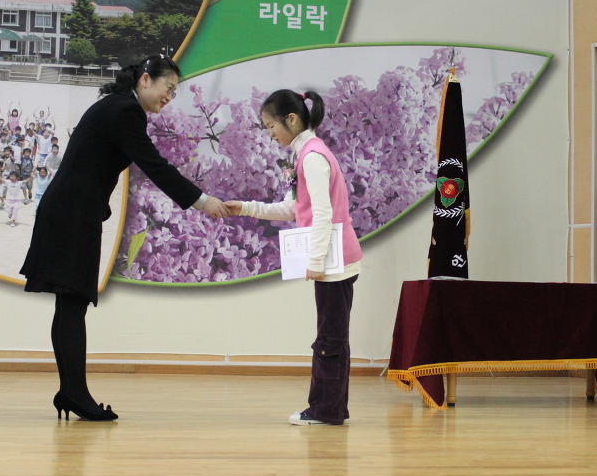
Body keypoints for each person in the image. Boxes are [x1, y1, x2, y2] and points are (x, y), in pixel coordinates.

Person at [20, 55, 229, 421]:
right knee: (72, 304)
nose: (170, 97)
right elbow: (155, 165)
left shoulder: (117, 107)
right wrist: (202, 200)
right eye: (168, 88)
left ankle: (71, 392)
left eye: (175, 92)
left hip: (70, 213)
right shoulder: (125, 111)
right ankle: (74, 393)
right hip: (71, 216)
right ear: (145, 80)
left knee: (70, 305)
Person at [225, 89, 362, 426]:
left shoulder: (312, 157)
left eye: (272, 126)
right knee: (333, 337)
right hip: (334, 259)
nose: (270, 134)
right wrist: (245, 207)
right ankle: (332, 409)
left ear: (291, 119)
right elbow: (293, 208)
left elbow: (323, 214)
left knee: (329, 339)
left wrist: (315, 262)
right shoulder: (305, 154)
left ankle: (324, 411)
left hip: (332, 263)